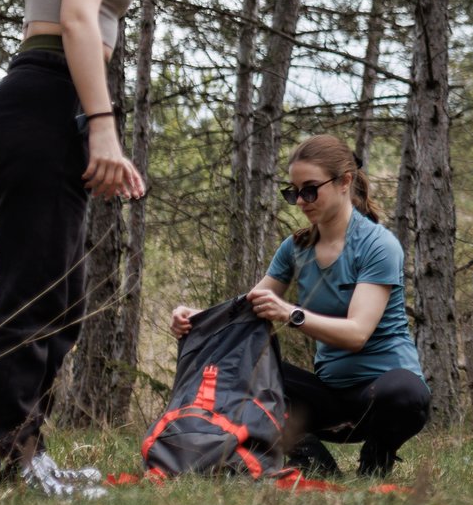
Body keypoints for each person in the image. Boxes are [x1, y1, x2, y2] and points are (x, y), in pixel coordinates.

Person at [0, 0, 205, 497]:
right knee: (34, 295)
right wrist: (101, 128)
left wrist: (91, 126)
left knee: (62, 296)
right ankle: (11, 464)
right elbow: (76, 19)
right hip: (43, 102)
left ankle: (28, 452)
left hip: (52, 107)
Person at [172, 135, 430, 478]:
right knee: (243, 370)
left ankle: (377, 455)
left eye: (309, 190)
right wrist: (196, 318)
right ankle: (315, 464)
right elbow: (248, 310)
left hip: (380, 396)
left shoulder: (378, 245)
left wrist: (291, 314)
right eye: (293, 193)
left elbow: (357, 334)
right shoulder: (295, 248)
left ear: (344, 182)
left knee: (407, 393)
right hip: (328, 397)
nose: (300, 202)